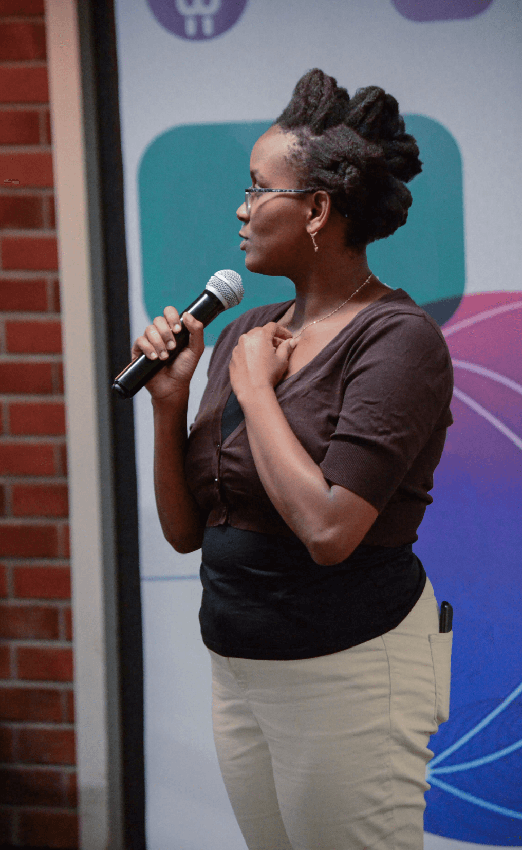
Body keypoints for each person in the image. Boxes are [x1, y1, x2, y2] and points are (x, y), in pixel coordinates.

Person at [133, 69, 454, 850]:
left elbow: (330, 529)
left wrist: (255, 389)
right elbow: (187, 530)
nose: (240, 210)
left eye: (256, 189)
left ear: (315, 210)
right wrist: (171, 401)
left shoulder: (397, 340)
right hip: (241, 671)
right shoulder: (251, 332)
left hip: (349, 668)